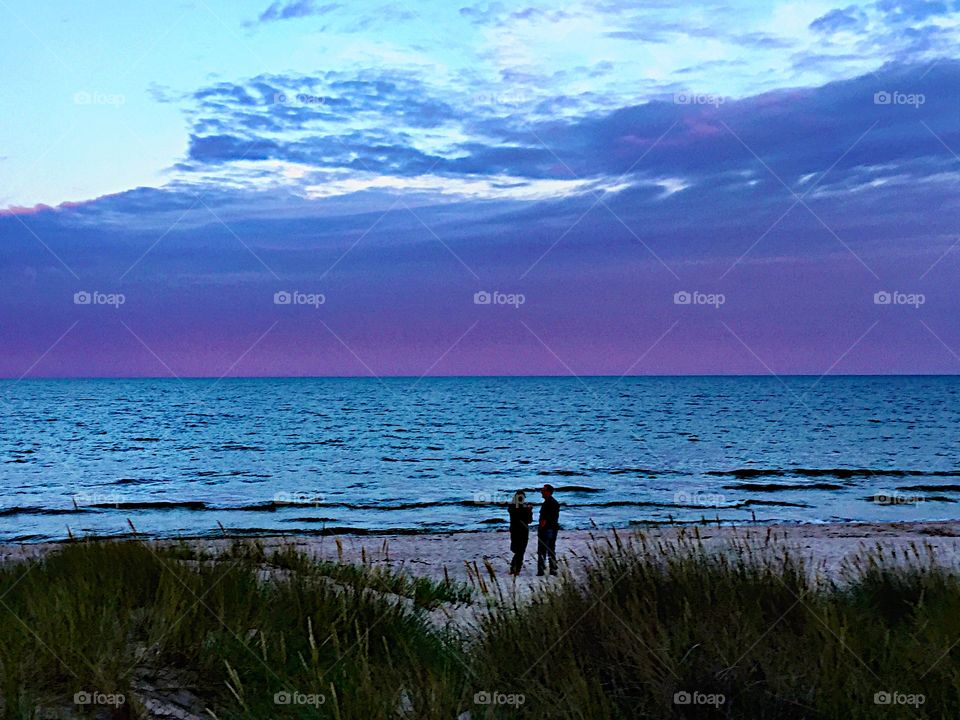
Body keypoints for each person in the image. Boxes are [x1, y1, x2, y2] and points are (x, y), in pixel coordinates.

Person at [507, 491, 533, 574]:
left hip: (514, 530)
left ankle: (514, 567)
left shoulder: (511, 507)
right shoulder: (522, 509)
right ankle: (516, 567)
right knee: (520, 550)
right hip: (522, 530)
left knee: (518, 549)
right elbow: (529, 520)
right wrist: (529, 510)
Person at [537, 484, 560, 576]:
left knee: (542, 550)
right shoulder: (554, 502)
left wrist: (540, 528)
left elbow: (544, 519)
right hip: (554, 528)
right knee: (551, 549)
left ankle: (541, 570)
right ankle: (553, 569)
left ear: (548, 492)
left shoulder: (547, 504)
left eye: (543, 490)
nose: (541, 491)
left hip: (546, 529)